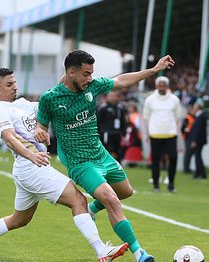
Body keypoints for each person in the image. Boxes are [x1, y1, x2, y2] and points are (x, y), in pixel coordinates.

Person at [0, 68, 129, 262]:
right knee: (79, 201)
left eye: (14, 82)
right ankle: (101, 251)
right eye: (9, 84)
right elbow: (10, 138)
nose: (15, 87)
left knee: (19, 219)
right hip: (32, 167)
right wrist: (32, 156)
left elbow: (54, 96)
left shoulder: (22, 104)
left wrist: (70, 73)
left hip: (28, 170)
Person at [35, 50, 174, 262]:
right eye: (86, 73)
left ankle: (91, 209)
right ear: (71, 72)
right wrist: (39, 130)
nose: (90, 78)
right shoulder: (50, 98)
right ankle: (140, 253)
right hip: (80, 163)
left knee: (125, 192)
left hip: (101, 155)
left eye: (92, 73)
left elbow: (121, 81)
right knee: (111, 200)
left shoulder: (92, 86)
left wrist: (154, 70)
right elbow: (41, 124)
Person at [143, 76, 182, 192]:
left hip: (170, 134)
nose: (162, 87)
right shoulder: (150, 99)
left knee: (173, 158)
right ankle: (156, 185)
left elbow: (178, 116)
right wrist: (147, 133)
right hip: (155, 134)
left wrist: (176, 130)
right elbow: (146, 117)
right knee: (155, 160)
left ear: (167, 85)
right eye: (160, 84)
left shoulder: (174, 99)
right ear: (156, 85)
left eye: (164, 84)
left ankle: (171, 183)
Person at [97, 91, 128, 162]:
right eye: (111, 96)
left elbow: (123, 122)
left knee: (118, 152)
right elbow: (98, 122)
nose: (113, 98)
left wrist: (123, 134)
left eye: (114, 96)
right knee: (106, 151)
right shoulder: (103, 108)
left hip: (117, 133)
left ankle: (118, 169)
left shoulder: (120, 109)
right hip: (106, 133)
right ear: (106, 97)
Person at [187, 101, 207, 179]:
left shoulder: (201, 116)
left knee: (198, 157)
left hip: (198, 141)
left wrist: (194, 140)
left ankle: (201, 173)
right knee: (197, 156)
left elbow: (198, 130)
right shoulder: (199, 116)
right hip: (199, 140)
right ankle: (199, 173)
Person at [181, 105, 196, 174]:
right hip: (188, 138)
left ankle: (188, 168)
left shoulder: (194, 118)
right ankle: (186, 168)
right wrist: (187, 131)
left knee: (190, 154)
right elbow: (183, 128)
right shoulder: (187, 118)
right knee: (187, 154)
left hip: (191, 138)